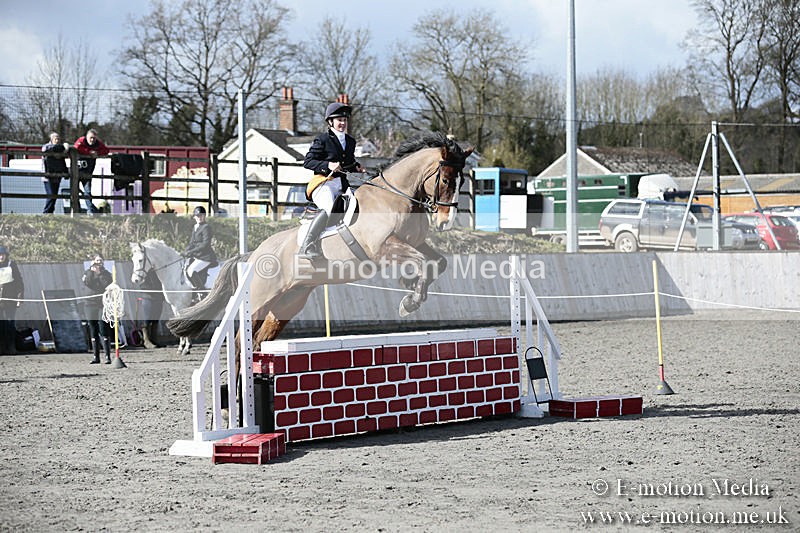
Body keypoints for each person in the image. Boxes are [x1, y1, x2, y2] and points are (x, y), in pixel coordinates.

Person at [300, 102, 365, 259]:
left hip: (341, 185)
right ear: (330, 122)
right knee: (329, 208)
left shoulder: (350, 141)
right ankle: (307, 246)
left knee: (358, 205)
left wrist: (355, 167)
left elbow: (347, 163)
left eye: (344, 120)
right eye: (339, 120)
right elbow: (308, 162)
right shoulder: (322, 140)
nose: (342, 123)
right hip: (323, 183)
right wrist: (328, 165)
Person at [82, 254, 112, 364]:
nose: (98, 263)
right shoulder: (87, 273)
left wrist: (99, 273)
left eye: (100, 261)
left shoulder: (107, 274)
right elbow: (88, 282)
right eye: (97, 260)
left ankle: (108, 356)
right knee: (93, 329)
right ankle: (96, 357)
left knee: (103, 328)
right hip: (90, 304)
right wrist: (92, 271)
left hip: (102, 304)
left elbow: (105, 285)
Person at [74, 129, 110, 214]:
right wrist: (89, 152)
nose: (92, 140)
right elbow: (76, 148)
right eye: (90, 138)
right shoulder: (81, 141)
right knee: (74, 192)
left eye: (94, 138)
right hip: (77, 171)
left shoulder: (98, 144)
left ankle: (90, 211)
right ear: (86, 137)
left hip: (88, 172)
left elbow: (106, 150)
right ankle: (76, 211)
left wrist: (97, 153)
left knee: (88, 192)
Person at [183, 206, 217, 291]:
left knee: (191, 271)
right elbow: (192, 242)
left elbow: (205, 244)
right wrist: (186, 251)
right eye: (198, 216)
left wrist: (192, 251)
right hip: (197, 256)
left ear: (204, 216)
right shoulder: (195, 227)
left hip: (205, 257)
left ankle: (201, 292)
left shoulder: (206, 227)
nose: (200, 217)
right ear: (194, 217)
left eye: (202, 215)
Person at [0, 245, 24, 355]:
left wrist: (19, 297)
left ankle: (11, 347)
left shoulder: (12, 265)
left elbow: (19, 282)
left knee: (9, 324)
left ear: (6, 255)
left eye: (2, 255)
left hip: (10, 301)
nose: (1, 257)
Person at [41, 132, 69, 214]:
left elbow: (63, 160)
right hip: (48, 176)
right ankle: (46, 212)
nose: (57, 140)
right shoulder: (46, 147)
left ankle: (50, 213)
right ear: (51, 139)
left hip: (57, 175)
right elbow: (47, 151)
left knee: (55, 196)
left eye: (58, 139)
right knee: (51, 195)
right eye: (56, 139)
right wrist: (64, 148)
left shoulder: (61, 148)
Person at [138, 269, 164, 349]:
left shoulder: (159, 270)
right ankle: (146, 340)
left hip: (158, 296)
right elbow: (141, 283)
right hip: (147, 296)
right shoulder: (144, 271)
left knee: (156, 319)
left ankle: (154, 339)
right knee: (147, 319)